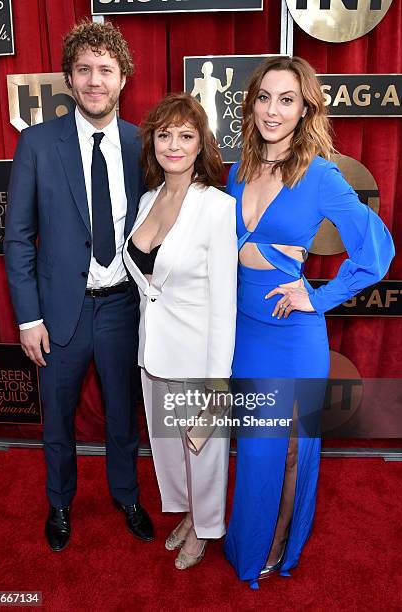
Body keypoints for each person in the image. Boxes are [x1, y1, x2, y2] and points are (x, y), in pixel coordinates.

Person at [223, 56, 394, 589]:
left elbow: (375, 249)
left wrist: (318, 298)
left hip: (292, 335)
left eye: (287, 99)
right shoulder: (238, 168)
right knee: (255, 446)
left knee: (293, 444)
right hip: (243, 329)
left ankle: (278, 543)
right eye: (265, 97)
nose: (273, 110)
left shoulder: (319, 174)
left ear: (305, 109)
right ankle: (246, 541)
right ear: (250, 105)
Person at [4, 20, 154, 552]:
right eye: (85, 70)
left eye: (105, 71)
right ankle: (60, 503)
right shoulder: (38, 144)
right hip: (59, 311)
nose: (95, 81)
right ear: (69, 78)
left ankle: (126, 495)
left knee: (122, 415)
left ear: (122, 80)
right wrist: (28, 317)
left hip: (122, 308)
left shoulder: (145, 144)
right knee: (58, 421)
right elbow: (19, 238)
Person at [123, 92, 237, 569]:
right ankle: (189, 513)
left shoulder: (217, 207)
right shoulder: (149, 197)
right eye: (165, 135)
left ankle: (207, 527)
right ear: (153, 143)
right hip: (153, 352)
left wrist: (217, 389)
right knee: (169, 448)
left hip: (196, 356)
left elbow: (225, 304)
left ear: (200, 145)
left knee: (204, 450)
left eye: (185, 136)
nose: (173, 144)